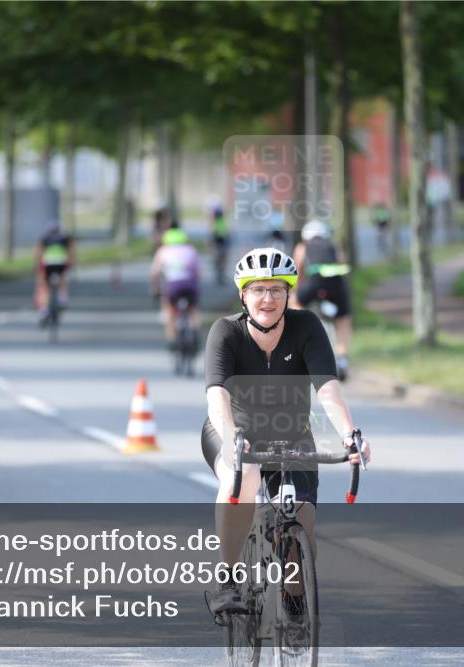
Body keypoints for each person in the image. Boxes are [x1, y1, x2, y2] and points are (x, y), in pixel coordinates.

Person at [202, 247, 371, 613]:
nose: (268, 298)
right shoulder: (225, 332)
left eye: (277, 289)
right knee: (243, 477)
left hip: (290, 433)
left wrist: (348, 433)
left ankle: (295, 603)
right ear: (243, 295)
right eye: (258, 289)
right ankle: (227, 580)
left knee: (301, 516)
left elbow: (328, 388)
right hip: (232, 429)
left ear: (289, 293)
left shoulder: (306, 326)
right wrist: (233, 441)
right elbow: (216, 398)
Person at [290, 220, 353, 380]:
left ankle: (300, 333)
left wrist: (297, 291)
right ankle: (342, 357)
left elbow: (297, 271)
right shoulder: (333, 246)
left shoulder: (302, 247)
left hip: (313, 282)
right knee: (343, 319)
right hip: (335, 284)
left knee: (294, 302)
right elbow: (340, 264)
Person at [149, 228, 200, 350]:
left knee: (169, 310)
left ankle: (172, 340)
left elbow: (155, 272)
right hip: (189, 285)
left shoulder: (163, 251)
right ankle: (195, 333)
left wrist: (155, 288)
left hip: (172, 285)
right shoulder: (190, 250)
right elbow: (198, 273)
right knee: (193, 309)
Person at [34, 225, 74, 322]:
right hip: (61, 262)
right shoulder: (64, 238)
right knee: (62, 279)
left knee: (44, 286)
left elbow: (38, 252)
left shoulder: (44, 238)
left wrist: (36, 265)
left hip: (47, 263)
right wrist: (72, 262)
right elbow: (71, 251)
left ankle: (44, 311)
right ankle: (63, 299)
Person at [210, 204, 229, 286]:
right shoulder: (222, 223)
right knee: (221, 261)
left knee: (218, 261)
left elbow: (213, 235)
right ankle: (221, 275)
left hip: (218, 245)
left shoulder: (216, 223)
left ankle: (219, 275)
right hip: (222, 244)